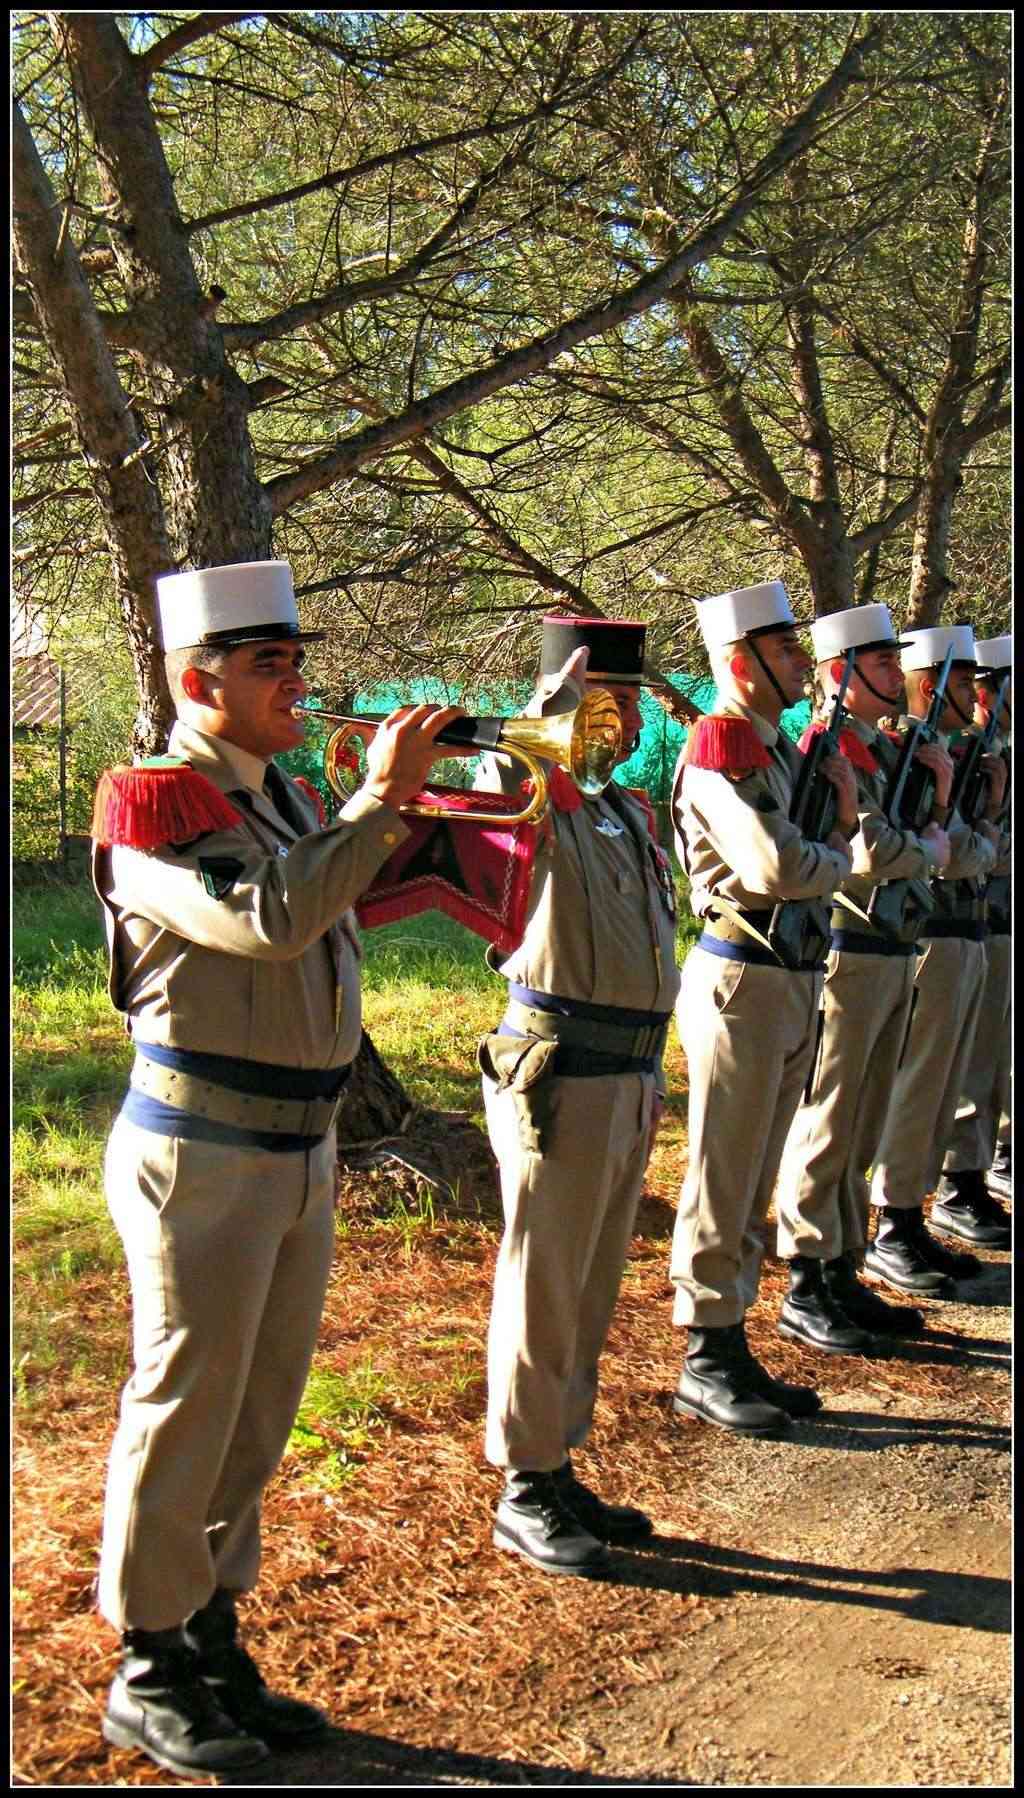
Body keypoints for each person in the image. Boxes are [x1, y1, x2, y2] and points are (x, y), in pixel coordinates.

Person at [90, 560, 462, 1779]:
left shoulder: (288, 795)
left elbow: (359, 893)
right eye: (270, 665)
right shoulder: (150, 800)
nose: (298, 682)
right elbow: (265, 919)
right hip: (200, 1148)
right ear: (202, 683)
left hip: (298, 1146)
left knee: (257, 1413)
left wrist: (419, 813)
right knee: (186, 1401)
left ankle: (209, 1626)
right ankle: (147, 1662)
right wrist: (375, 802)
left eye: (296, 659)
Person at [476, 615, 680, 1576]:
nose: (623, 723)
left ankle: (557, 1462)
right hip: (558, 1070)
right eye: (606, 703)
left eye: (633, 704)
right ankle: (523, 1480)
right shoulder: (538, 796)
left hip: (628, 1071)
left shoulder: (624, 812)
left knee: (590, 1285)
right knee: (543, 1282)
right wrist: (541, 718)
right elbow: (503, 791)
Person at [668, 580, 858, 1439]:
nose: (799, 664)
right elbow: (777, 867)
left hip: (789, 972)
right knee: (723, 1172)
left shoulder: (777, 750)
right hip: (743, 976)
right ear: (741, 663)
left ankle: (733, 1338)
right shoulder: (723, 748)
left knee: (752, 1181)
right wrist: (845, 852)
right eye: (784, 652)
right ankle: (705, 1355)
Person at [773, 604, 952, 1349]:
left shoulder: (876, 751)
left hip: (887, 946)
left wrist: (934, 813)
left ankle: (844, 1262)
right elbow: (870, 852)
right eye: (880, 666)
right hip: (847, 945)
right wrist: (933, 840)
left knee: (865, 1118)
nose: (896, 678)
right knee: (831, 1119)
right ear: (840, 675)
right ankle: (807, 1276)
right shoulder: (826, 749)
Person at [864, 624, 1005, 1295]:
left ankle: (916, 1212)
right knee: (921, 1085)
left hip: (964, 929)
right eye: (963, 682)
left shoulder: (954, 753)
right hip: (927, 933)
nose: (975, 695)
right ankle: (895, 1223)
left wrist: (969, 831)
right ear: (930, 687)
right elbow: (952, 851)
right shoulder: (907, 756)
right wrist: (960, 831)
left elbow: (971, 850)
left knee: (950, 1078)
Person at [933, 634, 1012, 1247]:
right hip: (960, 923)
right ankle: (958, 1184)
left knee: (987, 1063)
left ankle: (978, 1173)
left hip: (989, 922)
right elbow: (969, 852)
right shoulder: (961, 755)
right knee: (963, 1066)